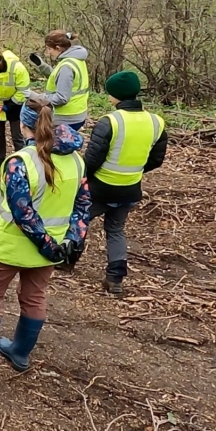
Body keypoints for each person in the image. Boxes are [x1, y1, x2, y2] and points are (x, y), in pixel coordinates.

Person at [0, 99, 91, 385]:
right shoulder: (76, 159)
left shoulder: (19, 162)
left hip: (9, 247)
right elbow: (82, 206)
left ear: (24, 125)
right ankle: (19, 352)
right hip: (51, 251)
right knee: (34, 297)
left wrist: (46, 243)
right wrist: (69, 243)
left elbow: (23, 211)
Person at [81, 71, 167, 296]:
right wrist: (135, 171)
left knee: (79, 219)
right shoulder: (156, 122)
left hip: (100, 188)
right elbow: (156, 160)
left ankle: (67, 260)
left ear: (115, 96)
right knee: (116, 229)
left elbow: (92, 159)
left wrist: (81, 177)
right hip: (130, 188)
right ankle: (115, 277)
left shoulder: (110, 121)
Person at [24, 30, 90, 130]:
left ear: (58, 48)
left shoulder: (66, 66)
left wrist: (36, 97)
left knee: (51, 145)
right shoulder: (76, 59)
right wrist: (43, 67)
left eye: (49, 49)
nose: (48, 52)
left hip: (65, 117)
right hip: (77, 114)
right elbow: (62, 80)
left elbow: (61, 98)